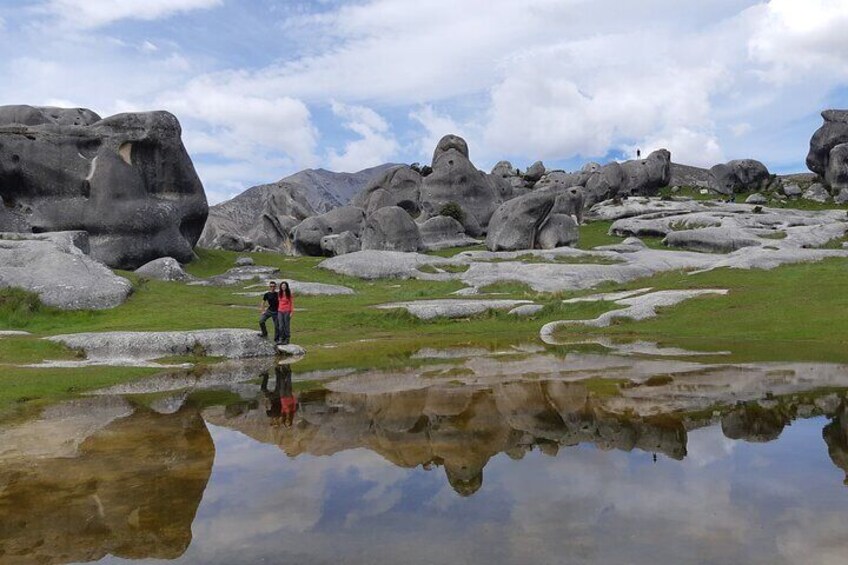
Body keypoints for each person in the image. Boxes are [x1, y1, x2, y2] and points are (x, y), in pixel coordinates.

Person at [277, 281, 294, 345]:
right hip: (280, 311)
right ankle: (281, 339)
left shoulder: (289, 294)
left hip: (287, 311)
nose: (283, 287)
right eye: (282, 286)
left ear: (286, 287)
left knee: (286, 325)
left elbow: (291, 303)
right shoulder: (279, 293)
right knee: (281, 326)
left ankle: (287, 339)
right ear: (281, 286)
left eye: (284, 286)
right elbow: (278, 303)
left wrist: (292, 312)